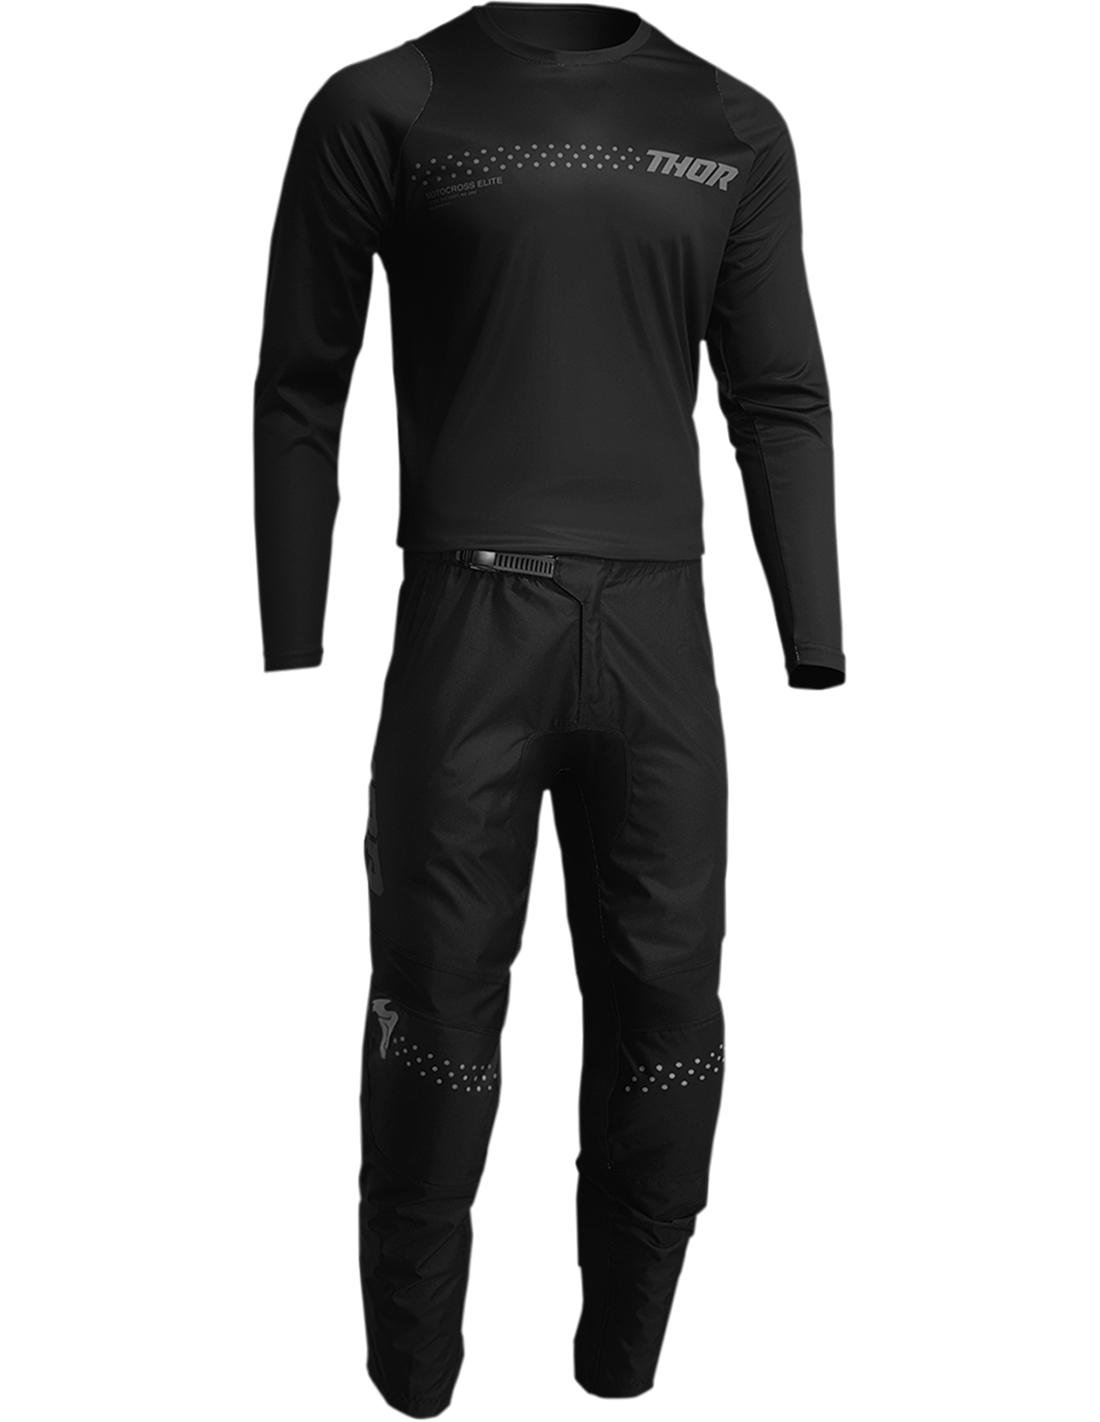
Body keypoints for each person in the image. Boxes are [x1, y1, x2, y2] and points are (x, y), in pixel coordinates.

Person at [252, 3, 844, 1416]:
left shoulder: (734, 120)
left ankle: (624, 1374)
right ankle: (412, 1384)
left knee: (674, 1009)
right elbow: (300, 385)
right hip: (469, 620)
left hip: (661, 633)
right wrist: (294, 632)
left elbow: (778, 392)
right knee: (436, 1010)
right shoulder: (383, 103)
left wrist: (813, 631)